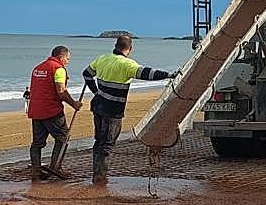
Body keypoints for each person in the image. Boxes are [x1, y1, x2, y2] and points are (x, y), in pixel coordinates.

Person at [82, 35, 174, 184]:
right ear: (129, 49)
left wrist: (96, 91)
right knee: (107, 144)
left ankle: (97, 174)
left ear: (115, 45)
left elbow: (86, 74)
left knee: (99, 141)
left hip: (98, 106)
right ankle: (100, 178)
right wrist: (169, 75)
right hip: (113, 110)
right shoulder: (126, 64)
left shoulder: (102, 59)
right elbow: (147, 73)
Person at [26, 46, 83, 181]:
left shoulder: (38, 68)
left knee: (37, 142)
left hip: (36, 110)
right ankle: (55, 167)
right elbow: (61, 91)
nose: (68, 62)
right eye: (67, 59)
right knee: (63, 137)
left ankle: (36, 170)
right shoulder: (58, 69)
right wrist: (74, 104)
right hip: (51, 110)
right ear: (61, 57)